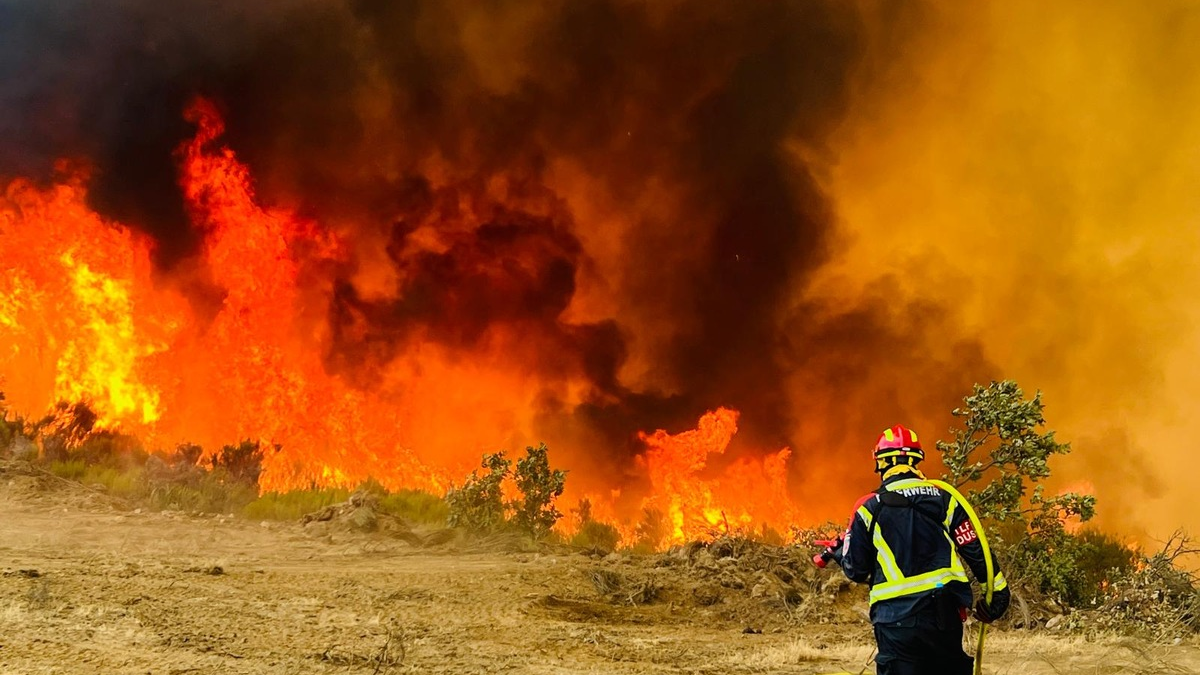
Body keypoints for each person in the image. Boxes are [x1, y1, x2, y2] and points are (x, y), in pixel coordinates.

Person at [828, 424, 1010, 675]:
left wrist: (839, 554)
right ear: (916, 461)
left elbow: (856, 570)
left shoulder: (869, 508)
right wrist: (998, 593)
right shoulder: (944, 498)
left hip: (896, 622)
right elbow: (974, 547)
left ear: (881, 462)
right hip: (943, 618)